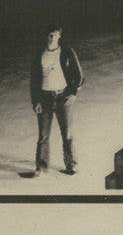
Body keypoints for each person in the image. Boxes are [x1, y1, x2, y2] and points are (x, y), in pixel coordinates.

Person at [29, 24, 84, 177]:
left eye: (54, 35)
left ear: (59, 36)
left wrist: (73, 93)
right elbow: (34, 81)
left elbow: (79, 76)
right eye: (49, 35)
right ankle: (41, 168)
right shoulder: (39, 54)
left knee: (67, 134)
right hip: (44, 98)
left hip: (63, 97)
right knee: (43, 136)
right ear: (46, 36)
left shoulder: (67, 52)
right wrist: (36, 101)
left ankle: (71, 165)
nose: (51, 38)